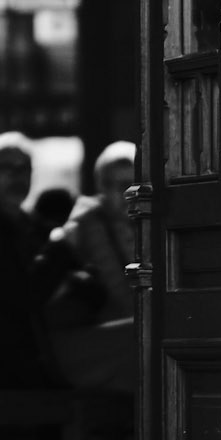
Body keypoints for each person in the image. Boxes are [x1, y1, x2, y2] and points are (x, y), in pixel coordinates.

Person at [48, 139, 138, 397]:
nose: (127, 193)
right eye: (118, 185)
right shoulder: (83, 226)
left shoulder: (143, 223)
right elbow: (121, 296)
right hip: (90, 345)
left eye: (132, 184)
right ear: (101, 186)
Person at [0, 142, 54, 390]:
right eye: (7, 168)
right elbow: (17, 296)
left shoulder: (35, 228)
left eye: (24, 168)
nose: (17, 176)